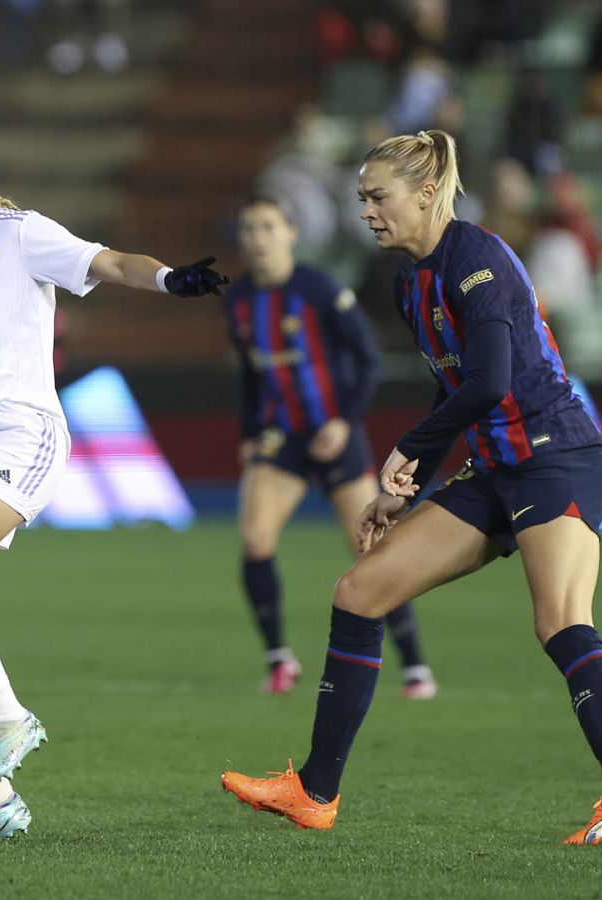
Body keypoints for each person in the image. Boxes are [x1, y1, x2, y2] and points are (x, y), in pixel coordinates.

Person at [221, 130, 602, 845]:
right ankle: (314, 792)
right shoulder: (411, 283)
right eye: (362, 197)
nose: (366, 211)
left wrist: (407, 447)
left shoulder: (477, 259)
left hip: (556, 458)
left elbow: (491, 381)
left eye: (378, 196)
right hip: (493, 467)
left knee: (560, 620)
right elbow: (454, 388)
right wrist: (409, 481)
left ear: (427, 194)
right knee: (358, 593)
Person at [0, 104, 227, 840]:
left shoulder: (18, 233)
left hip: (20, 429)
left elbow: (107, 264)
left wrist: (171, 281)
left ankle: (7, 714)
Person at [224, 196, 435, 698]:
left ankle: (415, 666)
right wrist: (252, 434)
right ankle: (279, 658)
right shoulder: (239, 300)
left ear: (291, 233)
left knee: (371, 552)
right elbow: (254, 375)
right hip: (283, 440)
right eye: (249, 227)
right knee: (255, 538)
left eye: (268, 226)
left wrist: (344, 421)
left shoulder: (319, 290)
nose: (258, 236)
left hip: (336, 435)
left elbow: (367, 359)